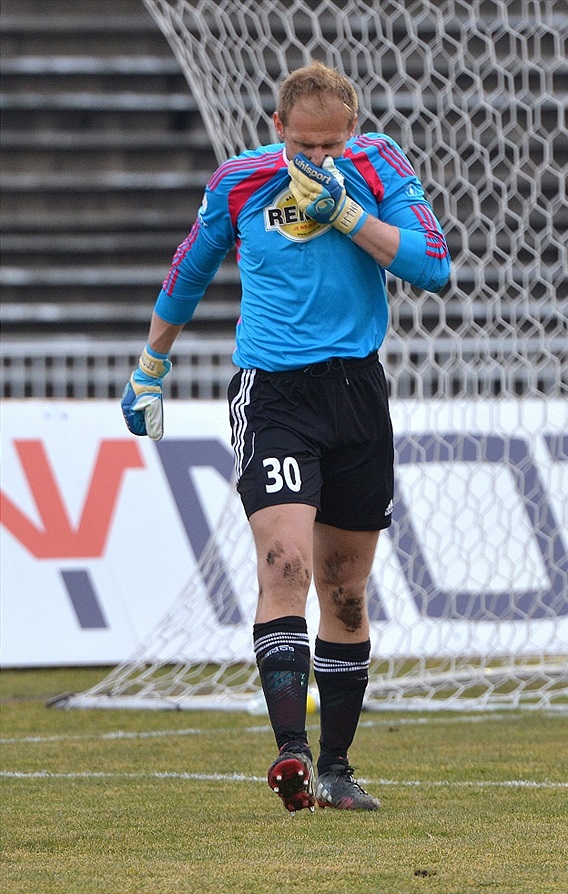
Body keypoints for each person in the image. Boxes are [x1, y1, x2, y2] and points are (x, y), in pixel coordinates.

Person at [121, 61, 451, 814]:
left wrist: (348, 215)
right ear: (278, 131)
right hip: (274, 391)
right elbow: (189, 270)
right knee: (286, 561)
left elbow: (436, 265)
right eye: (305, 147)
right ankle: (291, 756)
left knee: (345, 586)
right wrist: (150, 364)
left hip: (356, 391)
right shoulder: (241, 181)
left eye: (331, 145)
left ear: (352, 132)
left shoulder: (378, 164)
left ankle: (336, 767)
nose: (318, 160)